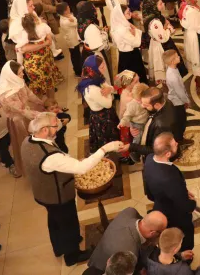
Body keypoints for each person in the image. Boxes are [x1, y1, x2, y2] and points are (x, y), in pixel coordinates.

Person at [20, 112, 125, 267]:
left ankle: (58, 247)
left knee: (54, 220)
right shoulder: (49, 157)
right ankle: (72, 255)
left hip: (43, 193)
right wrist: (105, 149)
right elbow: (81, 168)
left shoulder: (28, 140)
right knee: (68, 223)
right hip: (57, 196)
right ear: (44, 130)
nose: (58, 127)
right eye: (55, 126)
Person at [143, 132, 197, 253]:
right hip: (175, 214)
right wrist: (193, 203)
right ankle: (186, 255)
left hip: (160, 203)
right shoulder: (170, 179)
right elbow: (184, 205)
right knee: (184, 235)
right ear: (167, 154)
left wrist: (182, 192)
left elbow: (149, 189)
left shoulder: (149, 159)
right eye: (174, 144)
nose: (177, 143)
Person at [84, 208, 168, 275]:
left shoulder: (130, 211)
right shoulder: (130, 252)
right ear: (152, 233)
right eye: (160, 232)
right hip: (104, 267)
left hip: (102, 251)